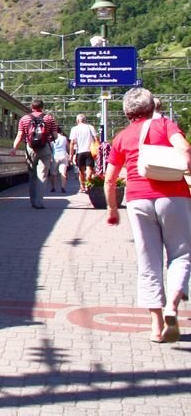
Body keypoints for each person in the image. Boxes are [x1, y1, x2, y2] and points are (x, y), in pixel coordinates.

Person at [103, 87, 191, 343]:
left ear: (127, 112)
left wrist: (111, 210)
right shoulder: (165, 125)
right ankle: (173, 306)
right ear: (152, 106)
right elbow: (185, 150)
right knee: (181, 254)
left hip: (137, 200)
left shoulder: (122, 137)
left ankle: (156, 327)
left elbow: (109, 180)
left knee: (148, 261)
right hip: (173, 196)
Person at [11, 99, 58, 209]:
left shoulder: (24, 119)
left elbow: (20, 135)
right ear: (42, 107)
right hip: (45, 148)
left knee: (32, 175)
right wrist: (47, 138)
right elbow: (55, 136)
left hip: (30, 148)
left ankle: (32, 201)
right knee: (43, 175)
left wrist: (14, 148)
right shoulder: (49, 118)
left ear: (31, 107)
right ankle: (39, 201)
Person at [69, 114, 99, 193]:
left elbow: (72, 142)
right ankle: (87, 185)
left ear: (77, 120)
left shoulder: (74, 129)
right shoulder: (90, 127)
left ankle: (82, 186)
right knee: (89, 169)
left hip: (80, 152)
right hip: (90, 151)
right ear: (85, 120)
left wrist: (71, 155)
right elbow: (96, 139)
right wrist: (97, 149)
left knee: (81, 171)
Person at [50, 128, 69, 193]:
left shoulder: (52, 138)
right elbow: (67, 147)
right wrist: (69, 154)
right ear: (61, 132)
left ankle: (53, 188)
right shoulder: (64, 138)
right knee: (63, 172)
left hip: (55, 157)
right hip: (63, 156)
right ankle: (63, 187)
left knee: (53, 173)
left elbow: (50, 148)